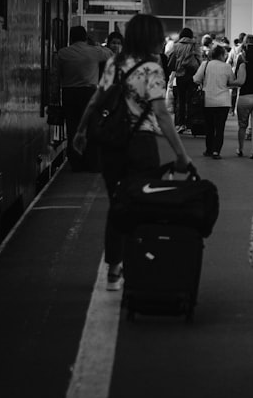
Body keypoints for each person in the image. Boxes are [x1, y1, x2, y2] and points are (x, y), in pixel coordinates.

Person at [73, 14, 191, 289]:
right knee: (141, 203)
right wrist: (181, 153)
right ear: (150, 37)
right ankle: (138, 264)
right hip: (141, 143)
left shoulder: (116, 62)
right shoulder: (152, 67)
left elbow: (96, 99)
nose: (162, 40)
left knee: (118, 203)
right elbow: (161, 114)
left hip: (111, 143)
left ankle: (114, 269)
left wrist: (80, 131)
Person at [56, 26, 112, 171]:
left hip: (69, 94)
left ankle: (76, 162)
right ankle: (91, 162)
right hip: (89, 93)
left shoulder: (62, 53)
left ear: (71, 38)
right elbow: (110, 54)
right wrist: (95, 44)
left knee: (73, 128)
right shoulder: (95, 51)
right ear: (85, 37)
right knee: (91, 127)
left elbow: (56, 75)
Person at [193, 44, 237, 159]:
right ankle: (216, 151)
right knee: (220, 127)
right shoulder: (227, 67)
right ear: (222, 55)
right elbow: (232, 82)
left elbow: (196, 79)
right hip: (223, 102)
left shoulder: (205, 64)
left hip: (208, 100)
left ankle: (209, 149)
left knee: (209, 127)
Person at [166, 27, 199, 132]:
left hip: (180, 76)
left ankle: (179, 124)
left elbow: (171, 62)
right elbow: (199, 60)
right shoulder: (194, 46)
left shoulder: (176, 46)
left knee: (180, 100)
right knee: (190, 101)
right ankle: (189, 125)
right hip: (192, 76)